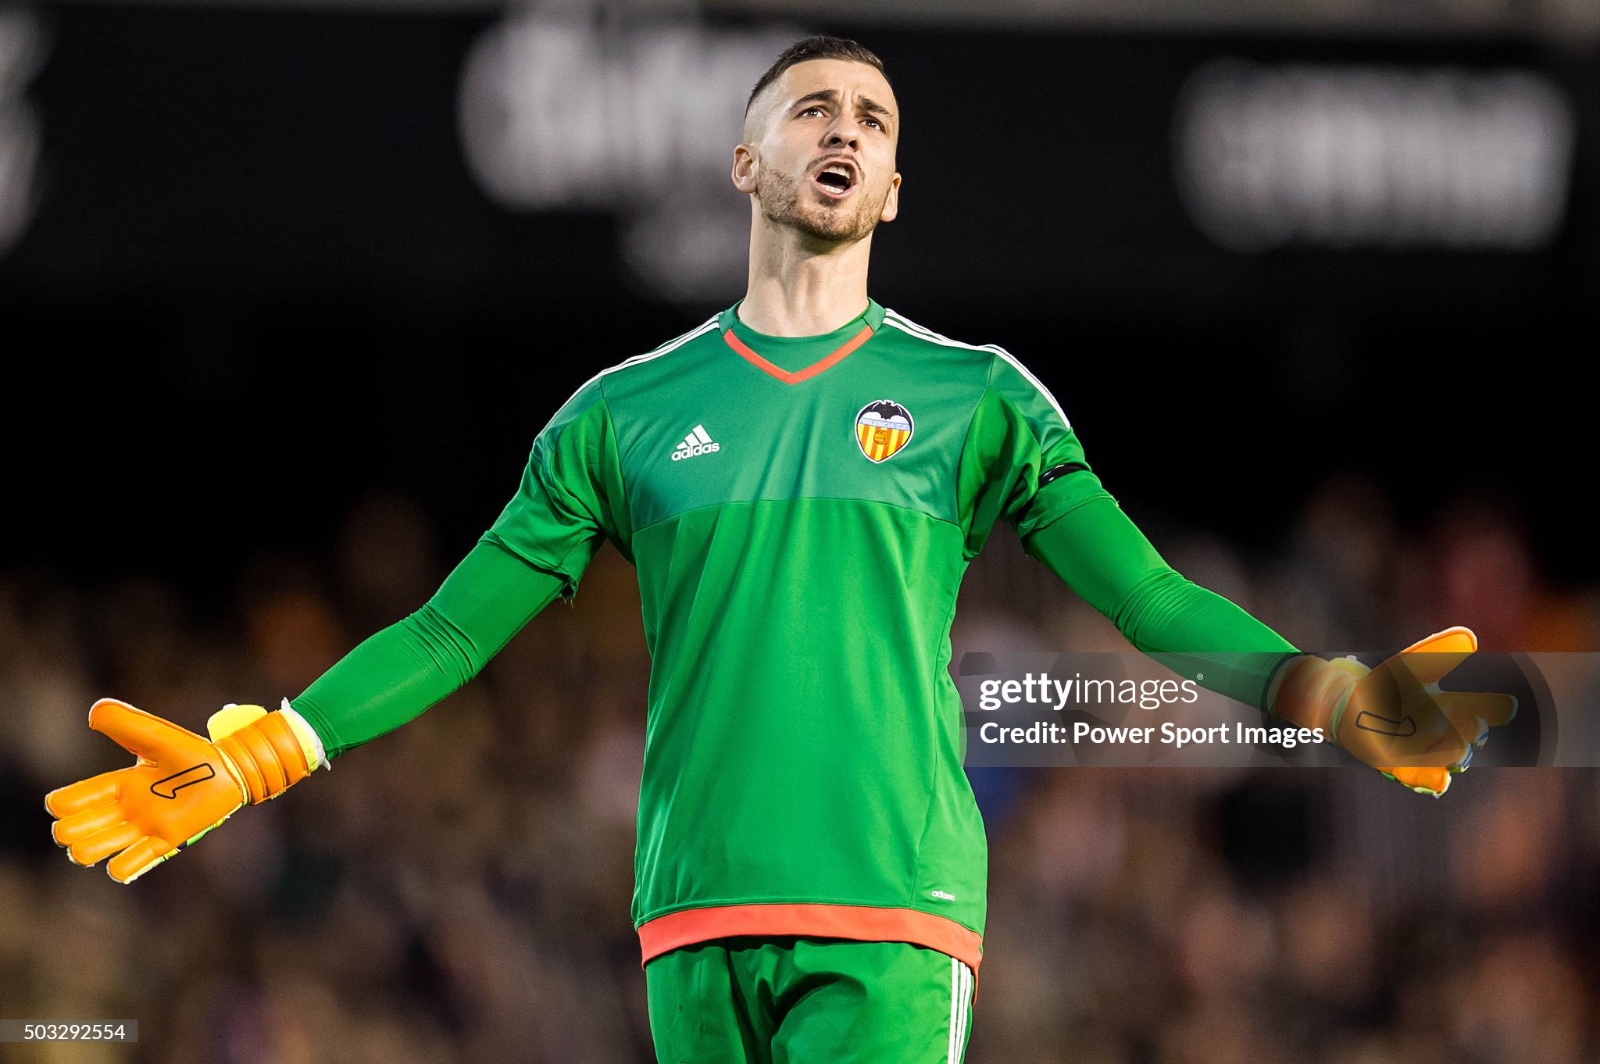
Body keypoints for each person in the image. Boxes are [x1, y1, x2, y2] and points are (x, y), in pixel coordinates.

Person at [44, 36, 1514, 1064]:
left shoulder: (976, 397)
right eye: (817, 110)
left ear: (892, 193)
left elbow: (1142, 594)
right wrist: (266, 750)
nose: (846, 134)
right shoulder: (620, 417)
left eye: (874, 125)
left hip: (892, 898)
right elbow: (450, 630)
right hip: (693, 907)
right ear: (747, 158)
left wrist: (1319, 693)